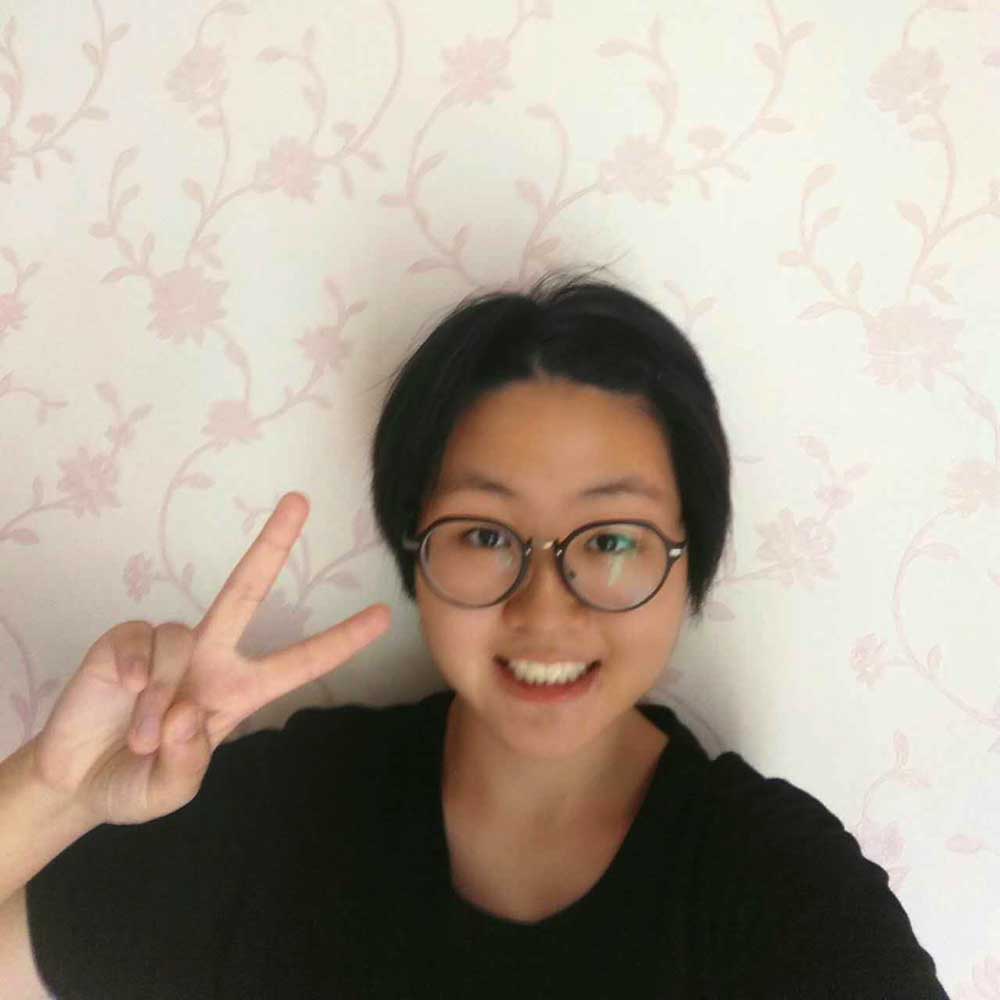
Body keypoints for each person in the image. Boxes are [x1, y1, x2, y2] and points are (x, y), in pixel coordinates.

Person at [0, 269, 949, 998]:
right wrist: (57, 788)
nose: (544, 611)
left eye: (612, 539)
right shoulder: (283, 815)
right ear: (415, 550)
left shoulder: (773, 889)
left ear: (687, 558)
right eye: (487, 536)